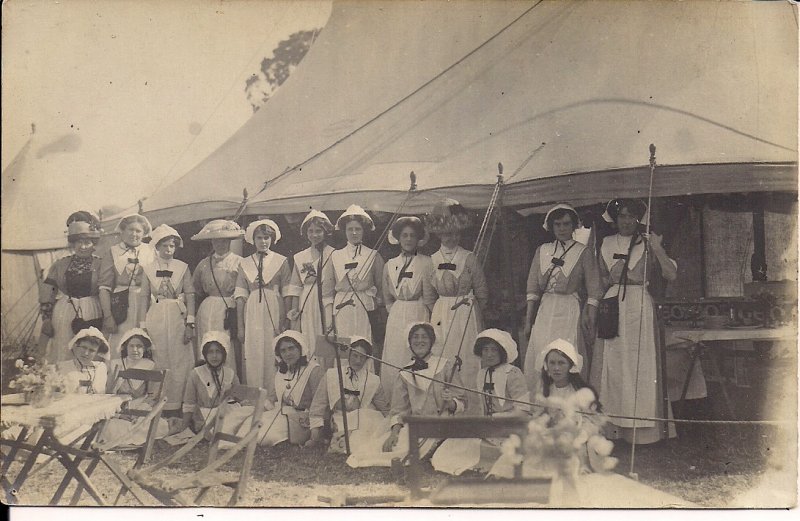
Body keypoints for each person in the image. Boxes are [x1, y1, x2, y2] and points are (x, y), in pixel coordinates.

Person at [589, 198, 678, 444]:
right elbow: (599, 280)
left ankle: (642, 433)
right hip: (612, 304)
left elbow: (670, 274)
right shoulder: (606, 243)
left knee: (639, 364)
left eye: (630, 216)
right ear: (615, 219)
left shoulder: (647, 243)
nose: (626, 221)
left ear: (638, 219)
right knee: (612, 365)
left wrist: (657, 248)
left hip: (638, 305)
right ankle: (612, 429)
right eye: (621, 216)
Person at [347, 323, 466, 467]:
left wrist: (451, 403)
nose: (419, 341)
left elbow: (463, 400)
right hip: (416, 425)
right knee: (392, 449)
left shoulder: (445, 366)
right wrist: (394, 433)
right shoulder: (405, 373)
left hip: (444, 423)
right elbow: (399, 409)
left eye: (424, 337)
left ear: (431, 341)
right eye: (415, 337)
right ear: (409, 342)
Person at [523, 203, 603, 394]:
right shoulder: (542, 250)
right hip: (546, 309)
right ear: (551, 226)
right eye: (557, 224)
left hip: (569, 309)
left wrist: (590, 316)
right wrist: (528, 321)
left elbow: (594, 289)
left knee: (566, 353)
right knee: (542, 351)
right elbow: (532, 288)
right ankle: (542, 400)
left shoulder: (582, 252)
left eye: (566, 224)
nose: (562, 229)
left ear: (574, 226)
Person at [432, 329, 531, 475]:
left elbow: (523, 411)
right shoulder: (481, 374)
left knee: (500, 451)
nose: (489, 354)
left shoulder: (513, 373)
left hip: (511, 428)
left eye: (494, 350)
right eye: (485, 350)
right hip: (490, 428)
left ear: (502, 352)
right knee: (455, 444)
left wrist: (496, 418)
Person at [423, 198, 487, 413]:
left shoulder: (469, 258)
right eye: (447, 233)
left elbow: (482, 291)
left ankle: (473, 408)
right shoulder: (431, 260)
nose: (452, 237)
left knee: (468, 357)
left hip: (466, 314)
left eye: (456, 233)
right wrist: (438, 315)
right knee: (443, 356)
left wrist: (473, 311)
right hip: (441, 313)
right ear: (439, 234)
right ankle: (445, 407)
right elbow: (428, 296)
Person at [142, 224, 195, 412]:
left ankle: (180, 402)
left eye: (172, 246)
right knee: (160, 356)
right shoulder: (148, 269)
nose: (168, 250)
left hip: (176, 314)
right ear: (156, 247)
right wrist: (142, 326)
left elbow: (189, 294)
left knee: (179, 358)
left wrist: (190, 322)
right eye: (164, 246)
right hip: (156, 315)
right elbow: (144, 297)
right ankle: (160, 402)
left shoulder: (182, 268)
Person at [306, 337, 390, 454]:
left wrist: (393, 426)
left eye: (362, 357)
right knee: (351, 442)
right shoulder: (331, 375)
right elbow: (318, 406)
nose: (358, 361)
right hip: (340, 419)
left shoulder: (373, 380)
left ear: (367, 359)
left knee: (369, 431)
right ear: (348, 354)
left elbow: (385, 408)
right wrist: (314, 435)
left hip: (364, 419)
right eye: (355, 355)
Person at [234, 219, 291, 390]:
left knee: (272, 349)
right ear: (253, 240)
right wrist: (240, 326)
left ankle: (274, 393)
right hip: (252, 310)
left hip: (274, 307)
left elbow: (288, 291)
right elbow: (240, 296)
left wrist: (286, 319)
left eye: (266, 237)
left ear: (272, 239)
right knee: (254, 349)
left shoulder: (281, 261)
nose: (263, 241)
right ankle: (255, 391)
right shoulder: (245, 263)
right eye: (259, 238)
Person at [39, 212, 104, 364]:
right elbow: (48, 291)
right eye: (78, 242)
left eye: (87, 242)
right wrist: (46, 318)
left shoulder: (101, 264)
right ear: (73, 244)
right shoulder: (60, 264)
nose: (83, 246)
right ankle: (64, 384)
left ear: (93, 244)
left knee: (88, 347)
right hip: (65, 311)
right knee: (64, 348)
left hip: (92, 309)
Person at [380, 216, 434, 397]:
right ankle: (395, 398)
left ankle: (417, 396)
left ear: (418, 238)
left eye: (412, 235)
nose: (409, 239)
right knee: (396, 353)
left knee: (416, 351)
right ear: (398, 238)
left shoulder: (427, 262)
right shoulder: (390, 264)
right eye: (405, 235)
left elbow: (429, 294)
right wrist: (395, 310)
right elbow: (386, 295)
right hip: (397, 313)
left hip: (418, 311)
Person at [97, 328, 170, 447]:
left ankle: (125, 436)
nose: (135, 350)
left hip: (140, 408)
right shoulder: (116, 364)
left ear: (145, 348)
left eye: (139, 346)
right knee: (109, 425)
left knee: (155, 425)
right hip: (118, 408)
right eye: (131, 346)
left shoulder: (151, 365)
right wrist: (119, 414)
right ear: (125, 347)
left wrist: (138, 412)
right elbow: (108, 393)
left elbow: (152, 396)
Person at [250, 331, 323, 446]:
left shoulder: (313, 370)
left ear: (300, 348)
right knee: (251, 425)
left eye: (291, 348)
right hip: (282, 414)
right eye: (283, 350)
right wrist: (256, 409)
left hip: (303, 421)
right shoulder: (281, 371)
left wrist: (315, 435)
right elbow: (272, 399)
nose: (288, 353)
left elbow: (319, 405)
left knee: (265, 436)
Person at [190, 219, 245, 373]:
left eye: (224, 241)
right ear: (211, 243)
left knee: (227, 343)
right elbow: (196, 289)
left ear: (229, 242)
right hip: (207, 310)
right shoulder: (204, 264)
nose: (220, 245)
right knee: (208, 342)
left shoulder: (240, 262)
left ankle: (228, 379)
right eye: (216, 241)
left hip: (229, 308)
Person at [99, 213, 155, 357]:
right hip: (121, 304)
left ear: (144, 233)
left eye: (138, 231)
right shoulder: (113, 252)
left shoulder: (151, 251)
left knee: (146, 342)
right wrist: (108, 316)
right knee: (120, 344)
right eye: (130, 230)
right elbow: (104, 288)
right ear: (122, 231)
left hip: (146, 303)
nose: (134, 234)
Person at [330, 204, 385, 344]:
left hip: (365, 307)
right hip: (342, 307)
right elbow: (329, 288)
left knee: (364, 342)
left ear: (363, 231)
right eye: (350, 229)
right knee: (344, 343)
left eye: (358, 229)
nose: (354, 233)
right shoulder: (335, 255)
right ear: (344, 231)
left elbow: (381, 285)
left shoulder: (373, 255)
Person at [285, 210, 335, 359]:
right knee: (308, 338)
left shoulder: (333, 254)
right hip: (306, 302)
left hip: (327, 301)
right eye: (311, 231)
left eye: (318, 231)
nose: (314, 235)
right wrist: (294, 312)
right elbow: (295, 287)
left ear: (325, 232)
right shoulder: (300, 256)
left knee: (325, 337)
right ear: (306, 233)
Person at [182, 331, 240, 433]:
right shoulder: (195, 374)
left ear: (224, 354)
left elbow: (238, 398)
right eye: (210, 352)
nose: (214, 356)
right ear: (205, 354)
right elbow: (189, 404)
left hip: (225, 415)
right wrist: (184, 427)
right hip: (203, 418)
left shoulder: (230, 373)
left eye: (218, 352)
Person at [56, 327, 109, 394]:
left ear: (97, 353)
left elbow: (102, 393)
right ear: (76, 346)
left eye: (92, 350)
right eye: (84, 348)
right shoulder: (63, 367)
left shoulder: (101, 368)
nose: (86, 353)